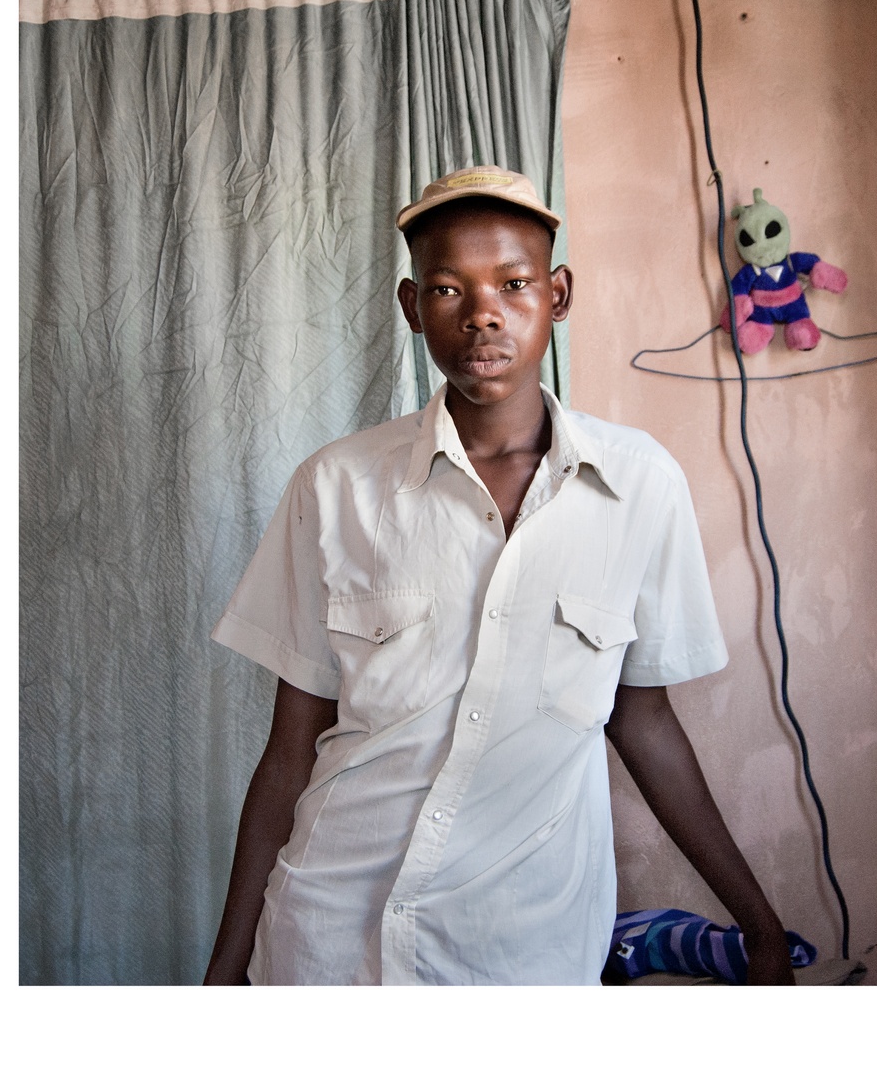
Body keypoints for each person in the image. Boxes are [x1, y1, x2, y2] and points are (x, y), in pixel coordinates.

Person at [204, 166, 795, 986]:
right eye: (449, 289)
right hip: (333, 939)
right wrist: (226, 969)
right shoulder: (334, 487)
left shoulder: (639, 486)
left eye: (514, 284)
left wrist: (757, 922)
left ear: (558, 294)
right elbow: (289, 750)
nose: (484, 311)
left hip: (526, 949)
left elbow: (643, 720)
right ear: (414, 310)